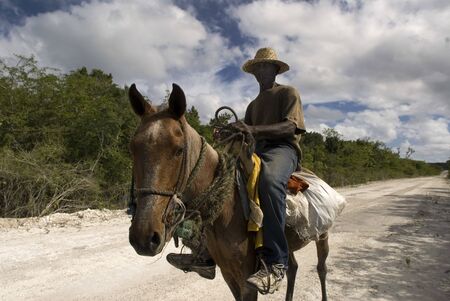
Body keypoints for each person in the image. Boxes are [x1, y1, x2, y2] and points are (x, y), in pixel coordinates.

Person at [167, 47, 306, 294]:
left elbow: (290, 128)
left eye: (264, 67)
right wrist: (232, 132)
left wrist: (252, 131)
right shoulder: (253, 105)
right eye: (256, 68)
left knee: (269, 180)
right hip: (256, 152)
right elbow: (248, 135)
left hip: (282, 150)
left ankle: (276, 261)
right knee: (212, 182)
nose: (259, 72)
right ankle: (202, 250)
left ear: (275, 69)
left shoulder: (288, 93)